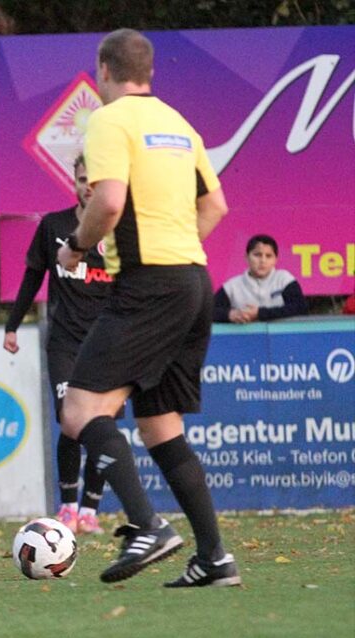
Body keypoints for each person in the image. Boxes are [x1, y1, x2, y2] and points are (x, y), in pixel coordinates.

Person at [56, 29, 240, 587]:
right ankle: (214, 558)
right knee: (161, 426)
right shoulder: (179, 123)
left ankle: (147, 526)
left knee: (80, 411)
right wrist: (179, 252)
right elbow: (216, 205)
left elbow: (108, 202)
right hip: (193, 282)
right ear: (150, 73)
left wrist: (77, 247)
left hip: (150, 285)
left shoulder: (109, 121)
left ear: (104, 72)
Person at [3, 154, 111, 535]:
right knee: (70, 421)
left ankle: (91, 511)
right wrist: (12, 325)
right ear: (75, 181)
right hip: (65, 340)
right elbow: (34, 276)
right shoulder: (54, 226)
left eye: (96, 180)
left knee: (101, 424)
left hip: (107, 343)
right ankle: (67, 507)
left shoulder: (117, 230)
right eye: (83, 178)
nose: (88, 186)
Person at [213, 234, 308, 323]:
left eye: (268, 256)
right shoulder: (232, 286)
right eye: (257, 255)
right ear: (246, 257)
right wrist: (229, 315)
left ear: (275, 260)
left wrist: (260, 313)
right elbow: (208, 312)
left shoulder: (284, 279)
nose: (263, 261)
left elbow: (300, 308)